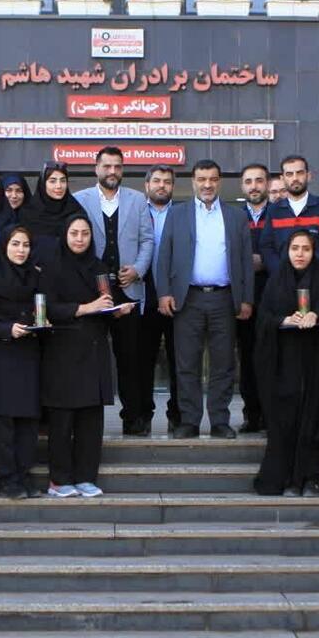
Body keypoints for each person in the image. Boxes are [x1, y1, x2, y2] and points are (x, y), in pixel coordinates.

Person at [155, 159, 254, 439]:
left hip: (224, 298)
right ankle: (189, 421)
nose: (207, 184)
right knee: (187, 364)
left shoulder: (236, 216)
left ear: (219, 182)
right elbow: (164, 256)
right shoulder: (177, 214)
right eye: (202, 179)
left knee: (224, 364)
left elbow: (246, 261)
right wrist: (164, 293)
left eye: (212, 179)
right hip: (188, 299)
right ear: (193, 182)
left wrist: (246, 299)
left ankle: (220, 421)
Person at [40, 215, 134, 497]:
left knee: (90, 421)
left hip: (93, 350)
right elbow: (47, 308)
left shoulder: (98, 267)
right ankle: (59, 480)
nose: (79, 239)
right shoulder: (52, 267)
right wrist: (86, 308)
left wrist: (116, 310)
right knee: (62, 421)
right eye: (74, 233)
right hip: (62, 352)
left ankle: (86, 477)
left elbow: (105, 303)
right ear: (65, 236)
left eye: (85, 233)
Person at [73, 146, 154, 436]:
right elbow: (73, 243)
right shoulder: (79, 199)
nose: (112, 171)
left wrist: (138, 270)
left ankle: (132, 419)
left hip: (128, 290)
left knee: (130, 358)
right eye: (107, 166)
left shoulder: (138, 199)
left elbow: (147, 240)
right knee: (86, 358)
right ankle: (84, 420)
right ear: (96, 168)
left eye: (118, 166)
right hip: (92, 293)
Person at [252, 231, 319, 495]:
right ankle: (287, 477)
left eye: (306, 249)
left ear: (314, 252)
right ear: (287, 251)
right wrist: (283, 320)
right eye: (295, 248)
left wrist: (317, 315)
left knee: (312, 416)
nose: (300, 254)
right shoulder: (277, 280)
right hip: (285, 362)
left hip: (316, 360)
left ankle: (309, 476)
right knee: (286, 418)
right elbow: (264, 317)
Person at [0, 226, 43, 498]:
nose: (21, 250)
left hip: (28, 355)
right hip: (0, 357)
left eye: (25, 245)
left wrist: (41, 323)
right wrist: (8, 329)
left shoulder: (35, 277)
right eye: (15, 244)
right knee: (3, 423)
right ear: (4, 246)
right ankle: (7, 479)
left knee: (28, 421)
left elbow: (41, 309)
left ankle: (24, 476)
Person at [138, 164, 182, 435]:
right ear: (147, 185)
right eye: (157, 180)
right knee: (143, 361)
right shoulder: (136, 211)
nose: (162, 185)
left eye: (167, 181)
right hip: (143, 294)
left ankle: (178, 416)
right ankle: (142, 416)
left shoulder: (183, 214)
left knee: (179, 361)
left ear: (173, 186)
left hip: (177, 297)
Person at [258, 155, 319, 273]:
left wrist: (311, 270)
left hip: (317, 278)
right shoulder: (273, 211)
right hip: (283, 279)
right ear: (282, 179)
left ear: (308, 176)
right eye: (289, 174)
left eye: (299, 173)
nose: (295, 178)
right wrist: (282, 272)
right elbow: (266, 247)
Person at [237, 163, 271, 434]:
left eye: (259, 180)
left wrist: (264, 260)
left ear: (267, 184)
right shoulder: (234, 216)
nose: (254, 186)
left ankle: (271, 415)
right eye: (249, 181)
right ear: (242, 186)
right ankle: (252, 414)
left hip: (273, 295)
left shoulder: (279, 213)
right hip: (243, 297)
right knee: (247, 358)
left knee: (271, 358)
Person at [19, 162, 84, 265]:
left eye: (63, 181)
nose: (59, 186)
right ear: (43, 183)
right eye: (52, 181)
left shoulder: (76, 211)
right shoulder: (28, 213)